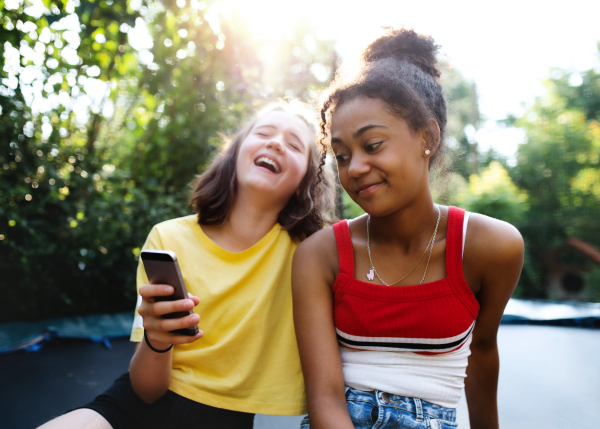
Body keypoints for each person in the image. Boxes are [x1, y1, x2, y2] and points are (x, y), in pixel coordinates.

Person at [39, 102, 335, 429]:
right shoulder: (168, 238)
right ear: (235, 153)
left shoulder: (313, 252)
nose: (275, 143)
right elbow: (147, 390)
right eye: (263, 133)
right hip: (147, 405)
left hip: (246, 419)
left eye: (294, 145)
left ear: (308, 178)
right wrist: (157, 338)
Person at [292, 29, 524, 429]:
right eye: (342, 156)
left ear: (427, 138)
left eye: (373, 145)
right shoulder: (320, 255)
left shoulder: (492, 247)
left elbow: (482, 354)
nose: (355, 168)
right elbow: (324, 398)